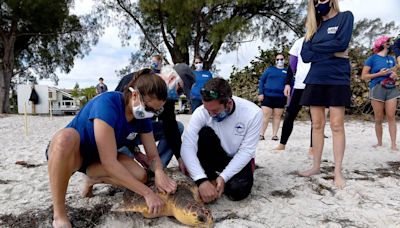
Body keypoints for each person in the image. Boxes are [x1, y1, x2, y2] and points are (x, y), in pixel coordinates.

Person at [46, 69, 177, 228]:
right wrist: (147, 193)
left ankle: (92, 179)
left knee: (140, 176)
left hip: (96, 160)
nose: (152, 114)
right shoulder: (108, 103)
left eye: (157, 111)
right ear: (134, 95)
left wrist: (159, 172)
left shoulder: (143, 117)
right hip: (71, 153)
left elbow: (153, 155)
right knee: (64, 138)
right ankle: (59, 214)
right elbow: (109, 162)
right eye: (149, 109)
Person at [299, 0, 354, 188]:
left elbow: (342, 43)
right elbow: (305, 55)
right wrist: (332, 51)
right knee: (317, 124)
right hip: (315, 78)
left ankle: (337, 171)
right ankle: (316, 165)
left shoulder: (345, 17)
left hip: (338, 78)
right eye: (315, 1)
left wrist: (319, 48)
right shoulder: (314, 27)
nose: (319, 2)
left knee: (337, 125)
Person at [181, 78, 263, 203]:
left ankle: (218, 180)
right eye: (207, 110)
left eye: (215, 111)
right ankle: (210, 177)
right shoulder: (202, 112)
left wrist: (224, 177)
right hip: (214, 153)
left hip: (237, 156)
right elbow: (187, 146)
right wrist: (201, 179)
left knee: (238, 191)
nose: (210, 114)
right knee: (204, 133)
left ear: (229, 103)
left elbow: (246, 151)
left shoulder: (253, 113)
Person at [115, 65, 187, 173]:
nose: (179, 95)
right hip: (119, 135)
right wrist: (136, 151)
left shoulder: (168, 97)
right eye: (180, 90)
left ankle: (156, 169)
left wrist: (180, 157)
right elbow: (116, 122)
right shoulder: (131, 80)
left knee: (178, 127)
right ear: (172, 79)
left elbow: (170, 125)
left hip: (143, 131)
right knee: (130, 168)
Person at [274, 38, 313, 153]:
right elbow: (292, 65)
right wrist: (287, 84)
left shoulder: (322, 39)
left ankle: (312, 147)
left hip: (315, 84)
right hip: (299, 84)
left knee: (315, 118)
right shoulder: (299, 42)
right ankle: (282, 144)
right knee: (290, 114)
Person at [361, 35, 399, 151]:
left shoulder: (392, 59)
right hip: (377, 88)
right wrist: (379, 74)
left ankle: (393, 144)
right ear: (382, 44)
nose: (390, 44)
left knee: (391, 117)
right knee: (378, 118)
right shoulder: (372, 59)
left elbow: (394, 74)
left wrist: (394, 75)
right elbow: (364, 76)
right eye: (388, 42)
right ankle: (379, 143)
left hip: (391, 88)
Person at [258, 54, 288, 141]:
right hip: (267, 96)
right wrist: (261, 93)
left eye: (281, 59)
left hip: (280, 97)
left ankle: (274, 135)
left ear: (284, 60)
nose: (280, 61)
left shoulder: (287, 71)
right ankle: (261, 134)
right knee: (265, 116)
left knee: (277, 116)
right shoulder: (270, 70)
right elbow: (262, 80)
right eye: (278, 59)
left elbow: (290, 84)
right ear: (275, 60)